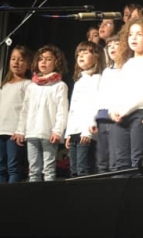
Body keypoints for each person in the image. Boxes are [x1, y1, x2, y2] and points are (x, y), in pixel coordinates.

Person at [109, 18, 143, 171]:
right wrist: (113, 110)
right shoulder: (127, 64)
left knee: (138, 159)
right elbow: (118, 91)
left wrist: (125, 110)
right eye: (131, 34)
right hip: (121, 116)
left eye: (139, 34)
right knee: (121, 160)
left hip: (140, 114)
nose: (134, 38)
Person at [17, 44, 70, 181]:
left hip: (48, 133)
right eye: (41, 59)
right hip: (31, 133)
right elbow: (25, 110)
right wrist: (20, 130)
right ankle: (33, 194)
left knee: (49, 170)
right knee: (33, 170)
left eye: (48, 59)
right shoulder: (31, 86)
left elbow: (62, 111)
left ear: (56, 62)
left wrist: (57, 131)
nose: (43, 62)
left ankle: (48, 194)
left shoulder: (60, 86)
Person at [0, 45, 33, 183]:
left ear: (28, 64)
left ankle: (10, 195)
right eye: (13, 59)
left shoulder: (28, 85)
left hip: (14, 133)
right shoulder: (4, 86)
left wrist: (21, 130)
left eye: (21, 60)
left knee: (13, 167)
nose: (16, 62)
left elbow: (27, 110)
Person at [64, 41, 105, 176]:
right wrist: (68, 133)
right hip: (75, 132)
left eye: (85, 53)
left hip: (86, 132)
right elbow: (73, 109)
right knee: (73, 170)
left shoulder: (98, 79)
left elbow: (96, 105)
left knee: (83, 168)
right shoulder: (79, 81)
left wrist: (88, 132)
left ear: (96, 57)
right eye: (79, 54)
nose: (81, 56)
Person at [90, 38, 121, 173]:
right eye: (109, 45)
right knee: (101, 159)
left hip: (116, 117)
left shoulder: (127, 69)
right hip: (102, 117)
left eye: (117, 44)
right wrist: (93, 119)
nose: (112, 47)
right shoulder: (107, 71)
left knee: (115, 157)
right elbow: (100, 96)